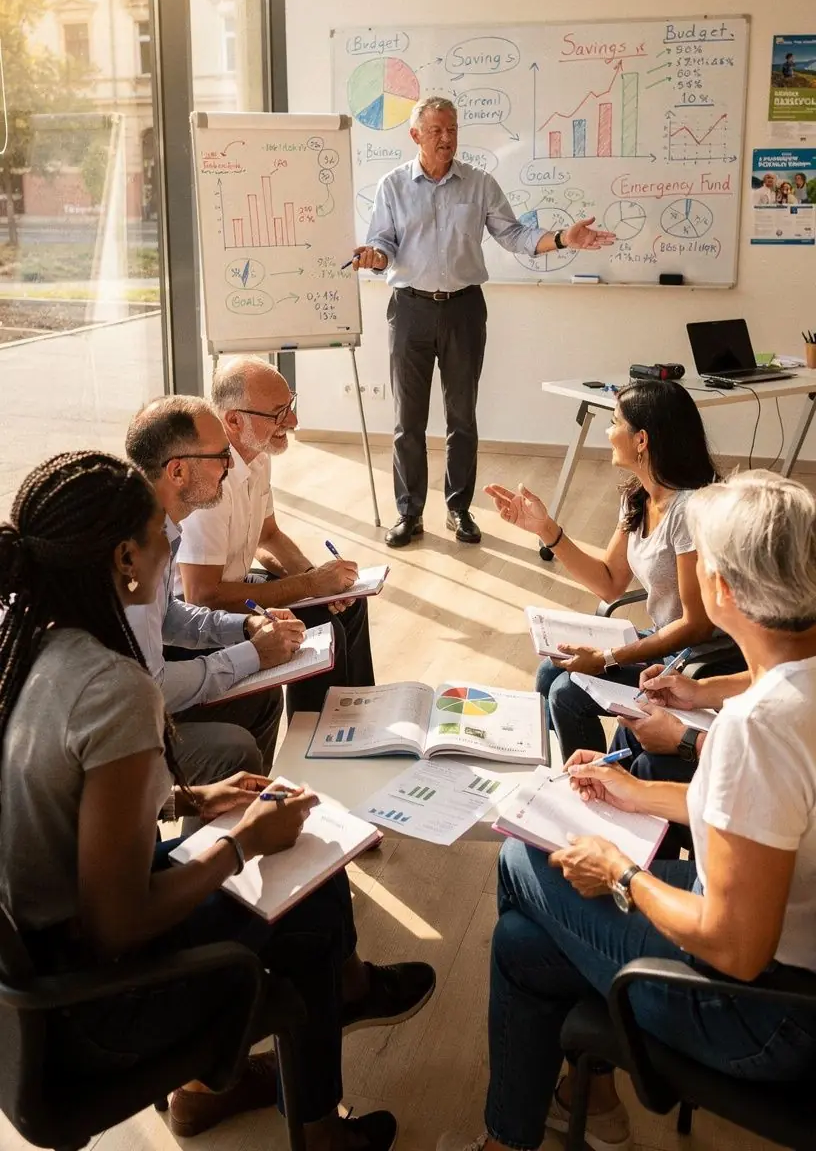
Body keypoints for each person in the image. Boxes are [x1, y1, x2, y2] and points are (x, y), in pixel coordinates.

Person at [0, 451, 434, 1149]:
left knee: (310, 881)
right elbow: (118, 925)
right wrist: (242, 843)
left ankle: (224, 1087)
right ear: (124, 559)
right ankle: (311, 1116)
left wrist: (188, 795)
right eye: (159, 540)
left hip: (35, 974)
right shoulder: (113, 687)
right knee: (301, 887)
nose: (168, 554)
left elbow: (59, 795)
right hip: (93, 1006)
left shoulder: (27, 648)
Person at [440, 470, 816, 1151]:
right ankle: (561, 1111)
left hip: (768, 1017)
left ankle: (545, 1118)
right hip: (789, 970)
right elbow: (765, 827)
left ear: (724, 591)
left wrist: (622, 874)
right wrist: (635, 793)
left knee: (522, 859)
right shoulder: (794, 693)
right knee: (522, 946)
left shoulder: (758, 726)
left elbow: (735, 947)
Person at [351, 96, 615, 550]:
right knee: (406, 420)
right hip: (409, 308)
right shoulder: (393, 186)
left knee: (462, 417)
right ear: (415, 135)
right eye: (436, 131)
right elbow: (382, 243)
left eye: (452, 129)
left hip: (463, 310)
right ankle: (409, 513)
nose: (447, 139)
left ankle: (458, 508)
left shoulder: (479, 184)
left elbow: (514, 235)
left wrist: (561, 238)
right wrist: (374, 257)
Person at [485, 379, 732, 763]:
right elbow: (609, 582)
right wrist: (545, 529)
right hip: (666, 643)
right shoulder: (639, 496)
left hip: (698, 660)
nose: (608, 430)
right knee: (550, 675)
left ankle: (599, 788)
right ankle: (569, 778)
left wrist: (606, 657)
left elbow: (696, 625)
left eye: (615, 421)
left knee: (567, 693)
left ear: (641, 440)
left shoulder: (689, 511)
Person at [126, 395, 307, 782]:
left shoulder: (160, 525)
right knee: (230, 748)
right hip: (107, 733)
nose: (230, 465)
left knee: (262, 697)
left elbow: (168, 613)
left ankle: (239, 820)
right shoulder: (135, 551)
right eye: (221, 455)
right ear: (177, 473)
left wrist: (241, 629)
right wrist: (251, 655)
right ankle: (219, 838)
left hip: (128, 701)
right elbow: (151, 686)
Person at [177, 357, 375, 712]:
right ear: (234, 420)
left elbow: (268, 536)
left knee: (347, 606)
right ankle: (318, 735)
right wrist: (311, 585)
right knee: (322, 624)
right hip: (199, 614)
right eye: (278, 413)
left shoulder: (258, 455)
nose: (294, 421)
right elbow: (202, 596)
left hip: (232, 585)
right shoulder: (208, 480)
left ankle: (356, 720)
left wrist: (314, 578)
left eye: (291, 406)